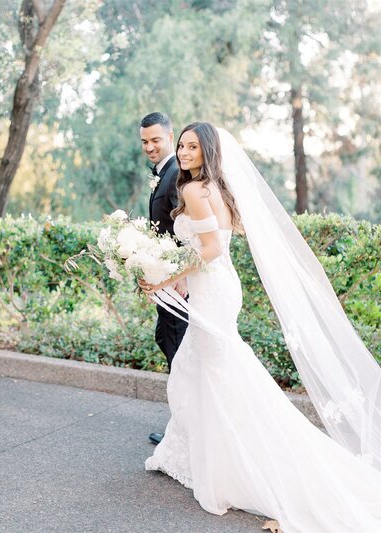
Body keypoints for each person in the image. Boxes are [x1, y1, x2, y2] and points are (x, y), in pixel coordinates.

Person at [139, 122, 381, 532]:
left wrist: (162, 278)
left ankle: (238, 461)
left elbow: (211, 250)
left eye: (192, 147)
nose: (183, 152)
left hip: (214, 289)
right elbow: (212, 245)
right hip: (217, 287)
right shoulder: (216, 187)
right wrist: (180, 278)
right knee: (201, 369)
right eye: (181, 145)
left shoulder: (196, 190)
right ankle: (200, 452)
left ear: (208, 151)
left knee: (218, 375)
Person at [140, 112, 188, 444]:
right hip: (164, 283)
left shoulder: (175, 176)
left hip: (177, 285)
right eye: (144, 141)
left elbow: (186, 232)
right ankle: (184, 424)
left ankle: (183, 431)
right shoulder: (164, 173)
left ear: (169, 137)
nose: (150, 147)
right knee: (168, 343)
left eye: (156, 140)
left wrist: (178, 278)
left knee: (179, 352)